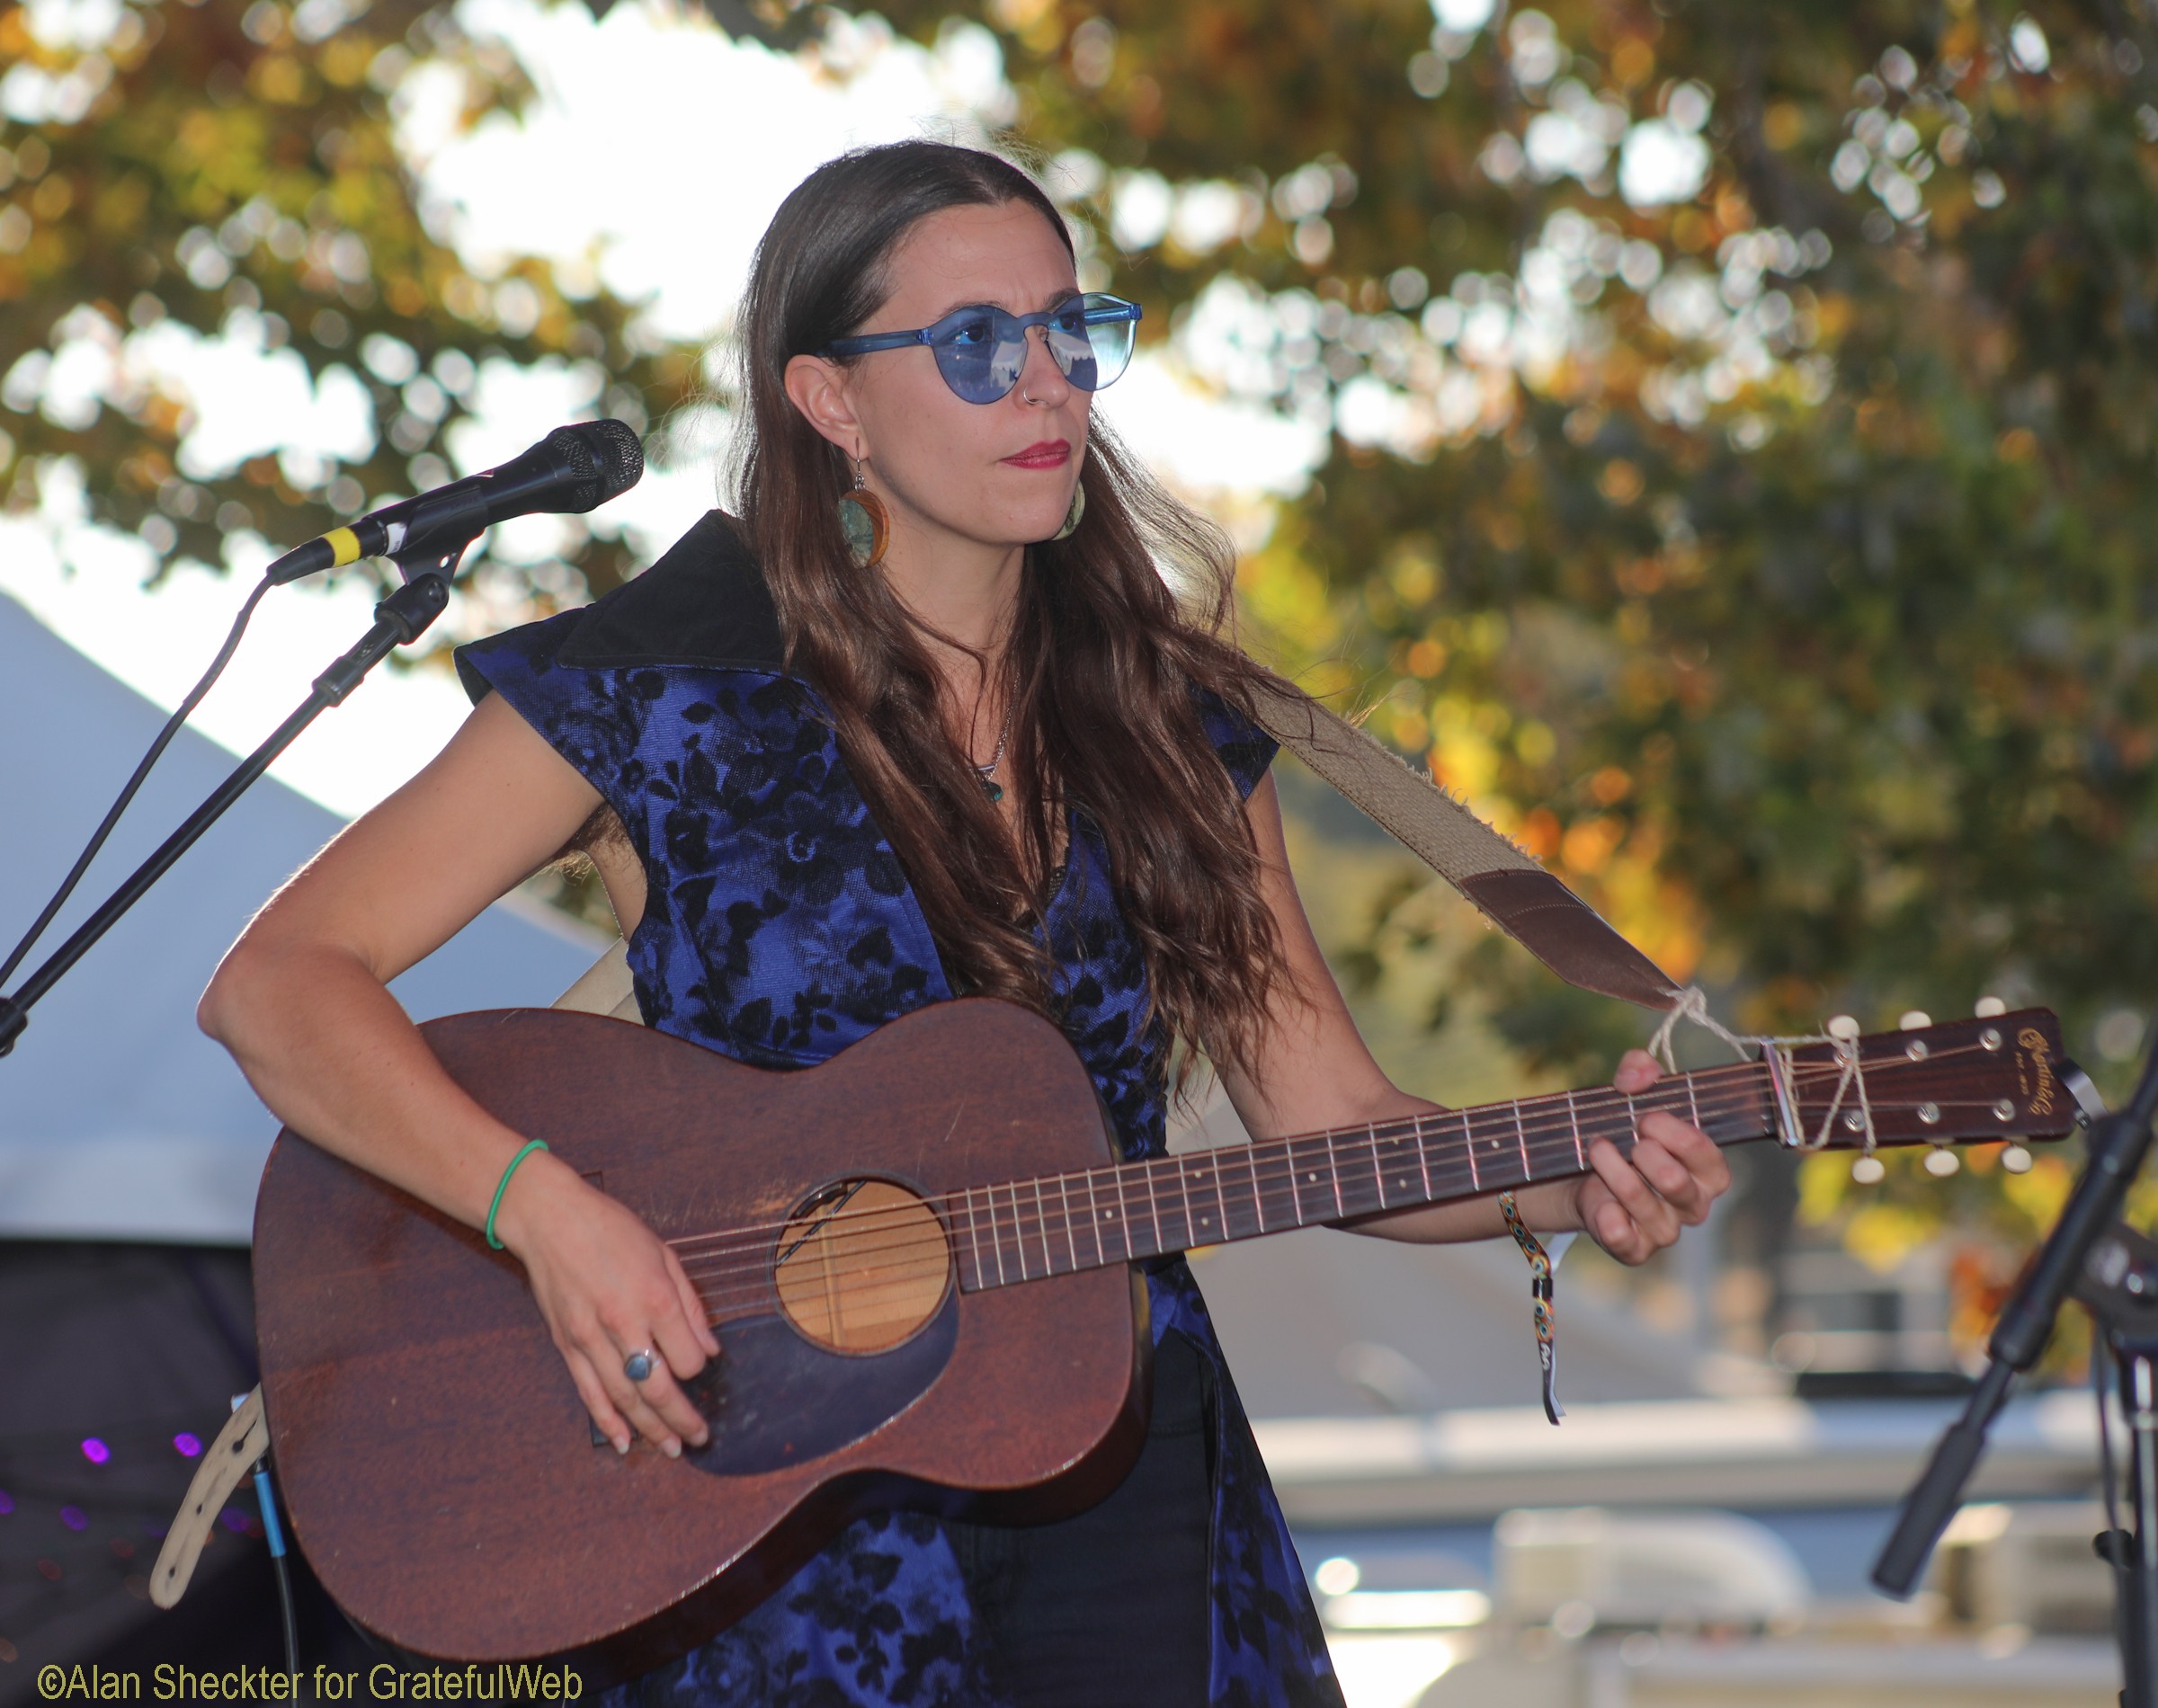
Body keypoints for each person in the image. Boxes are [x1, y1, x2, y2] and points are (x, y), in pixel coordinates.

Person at [199, 140, 1731, 1708]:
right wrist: (541, 1210)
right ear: (832, 403)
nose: (1050, 385)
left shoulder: (1176, 728)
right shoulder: (662, 690)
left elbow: (1336, 1121)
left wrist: (1564, 1176)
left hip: (1127, 1473)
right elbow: (281, 985)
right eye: (979, 345)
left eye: (1074, 332)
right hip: (768, 1508)